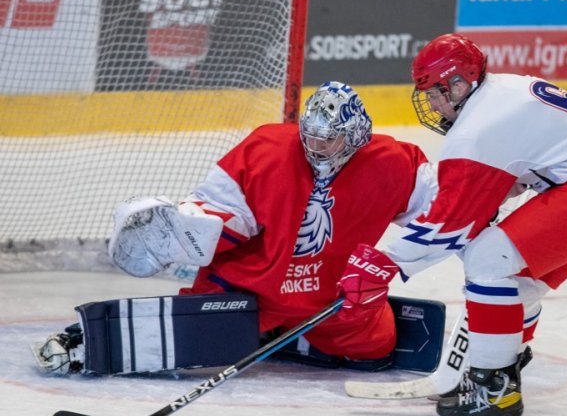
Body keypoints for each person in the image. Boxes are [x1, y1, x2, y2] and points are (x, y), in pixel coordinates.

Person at [338, 34, 567, 416]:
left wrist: (385, 261)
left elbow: (449, 223)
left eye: (435, 93)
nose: (430, 104)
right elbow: (521, 163)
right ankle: (502, 365)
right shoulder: (498, 93)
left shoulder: (478, 129)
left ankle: (492, 394)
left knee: (488, 258)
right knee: (521, 284)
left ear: (459, 84)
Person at [32, 81, 438, 376]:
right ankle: (85, 341)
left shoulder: (393, 162)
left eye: (328, 141)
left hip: (333, 295)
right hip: (250, 290)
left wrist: (389, 261)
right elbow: (224, 212)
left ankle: (289, 335)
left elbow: (443, 213)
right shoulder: (267, 150)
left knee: (375, 353)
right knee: (190, 337)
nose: (316, 149)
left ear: (356, 137)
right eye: (311, 137)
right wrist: (187, 230)